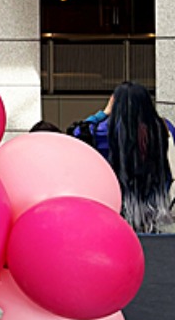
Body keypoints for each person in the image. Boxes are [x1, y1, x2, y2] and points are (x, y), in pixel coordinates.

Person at [71, 82, 175, 233]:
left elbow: (78, 133)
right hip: (156, 201)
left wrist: (104, 112)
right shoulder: (163, 127)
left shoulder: (104, 129)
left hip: (118, 201)